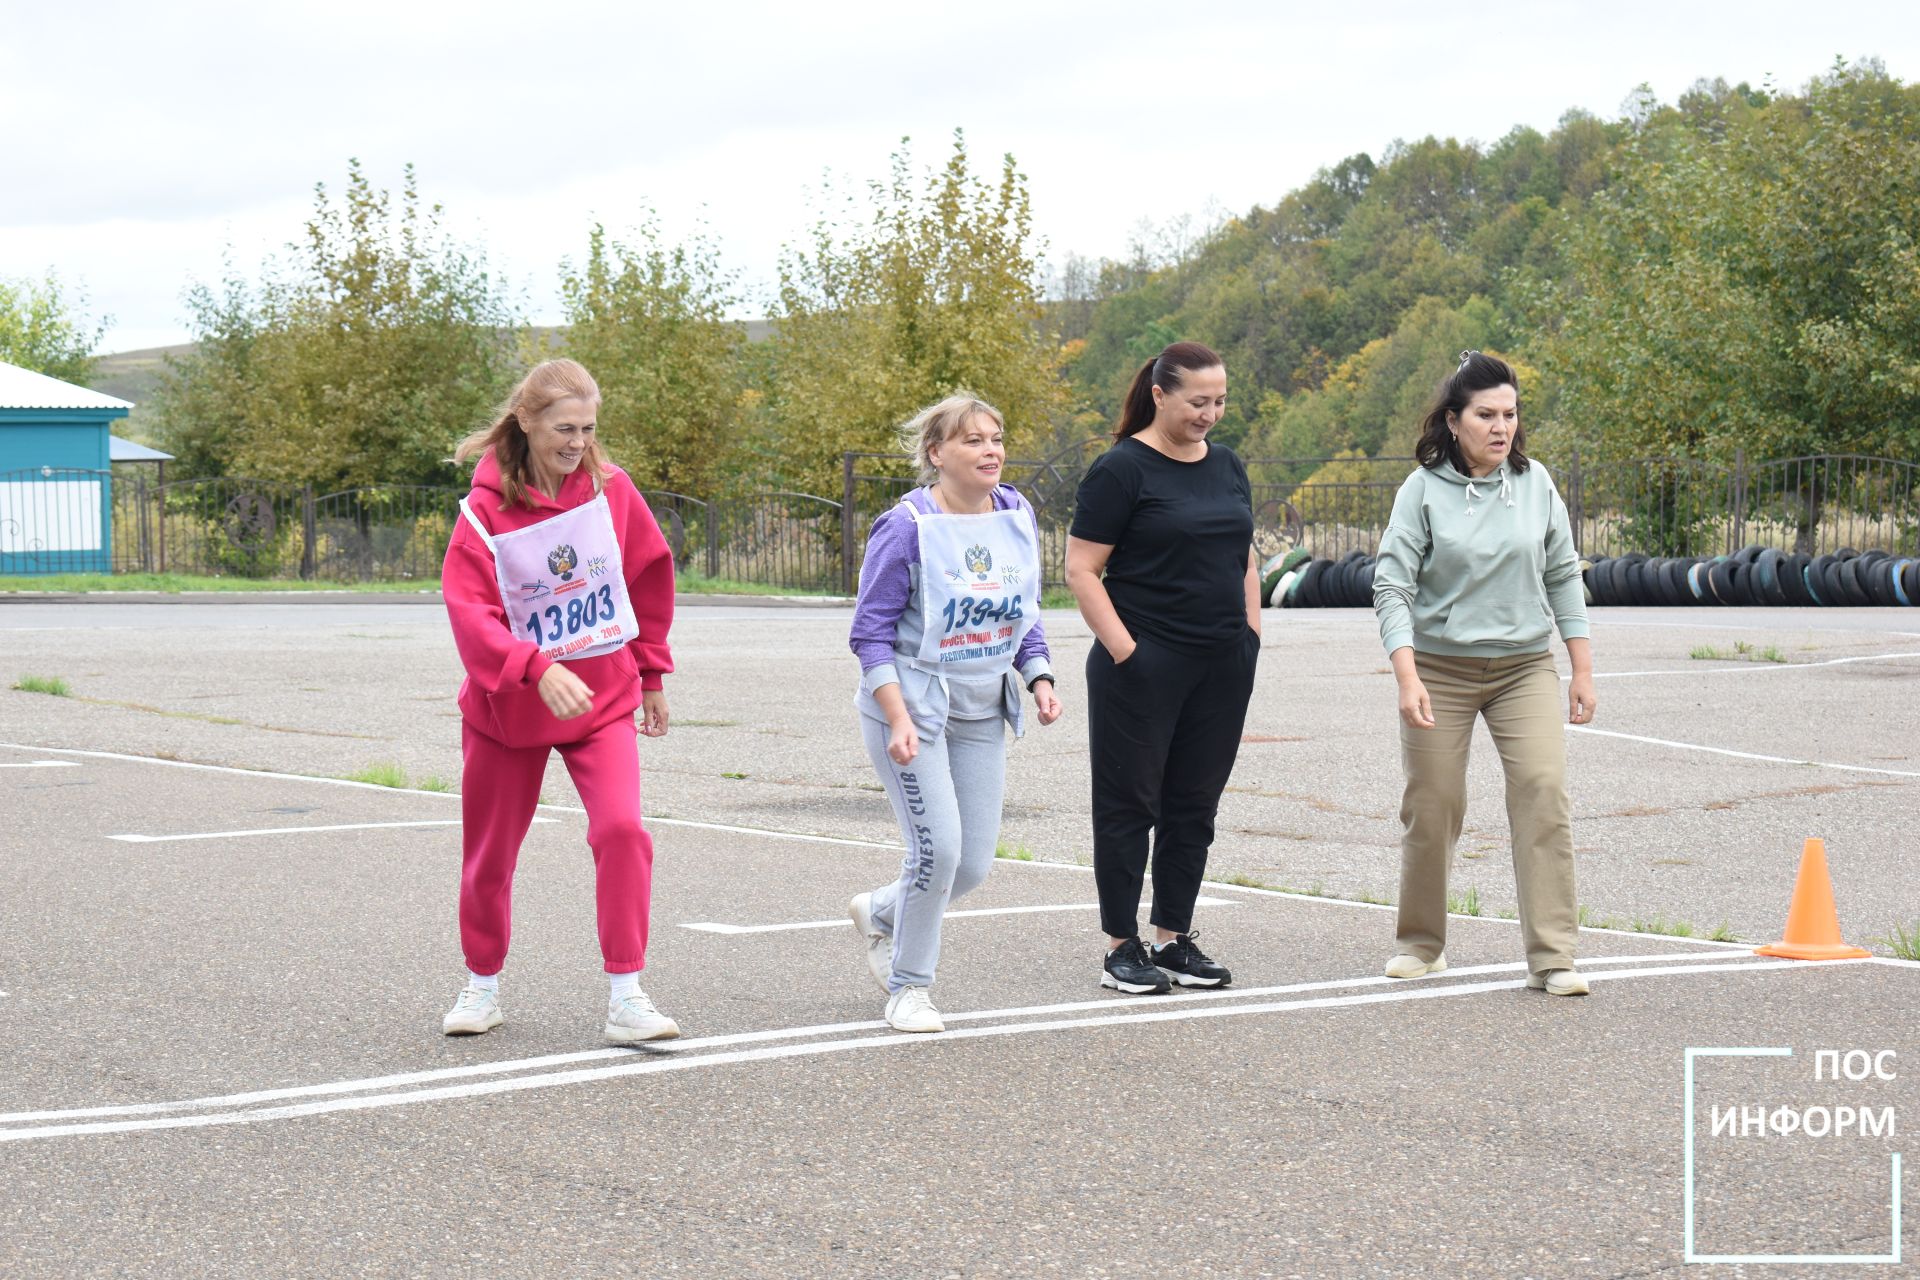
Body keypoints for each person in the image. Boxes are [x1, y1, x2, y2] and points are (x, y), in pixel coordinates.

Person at [439, 358, 682, 1042]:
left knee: (623, 831)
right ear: (526, 420)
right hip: (506, 712)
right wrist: (533, 667)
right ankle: (481, 987)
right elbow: (470, 611)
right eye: (564, 428)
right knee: (491, 855)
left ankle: (627, 998)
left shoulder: (612, 492)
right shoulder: (484, 512)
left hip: (600, 702)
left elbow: (647, 575)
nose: (577, 442)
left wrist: (652, 674)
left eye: (588, 428)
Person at [1371, 350, 1597, 997]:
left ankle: (1553, 957)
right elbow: (1392, 585)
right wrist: (1406, 676)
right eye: (1486, 415)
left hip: (1524, 666)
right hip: (1439, 667)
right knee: (1434, 801)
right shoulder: (1422, 491)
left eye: (1510, 414)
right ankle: (1421, 944)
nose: (1501, 427)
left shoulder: (1536, 484)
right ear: (1453, 420)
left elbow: (1562, 574)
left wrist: (1582, 668)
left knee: (1544, 791)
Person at [846, 393, 1063, 1033]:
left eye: (996, 438)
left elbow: (1021, 607)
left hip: (980, 709)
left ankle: (882, 910)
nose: (990, 450)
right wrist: (898, 715)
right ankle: (909, 989)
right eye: (972, 440)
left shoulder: (1015, 514)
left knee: (970, 865)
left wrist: (1039, 674)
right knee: (936, 853)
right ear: (937, 454)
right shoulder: (906, 527)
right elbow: (870, 634)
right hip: (910, 711)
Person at [1065, 341, 1261, 996]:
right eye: (1198, 401)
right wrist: (1129, 653)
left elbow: (1247, 560)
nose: (1211, 414)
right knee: (1129, 804)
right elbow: (1081, 571)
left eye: (1220, 401)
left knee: (1194, 805)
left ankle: (1173, 938)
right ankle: (1121, 947)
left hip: (1222, 664)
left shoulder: (1228, 465)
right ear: (1159, 394)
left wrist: (1250, 637)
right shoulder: (1121, 470)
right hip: (1144, 664)